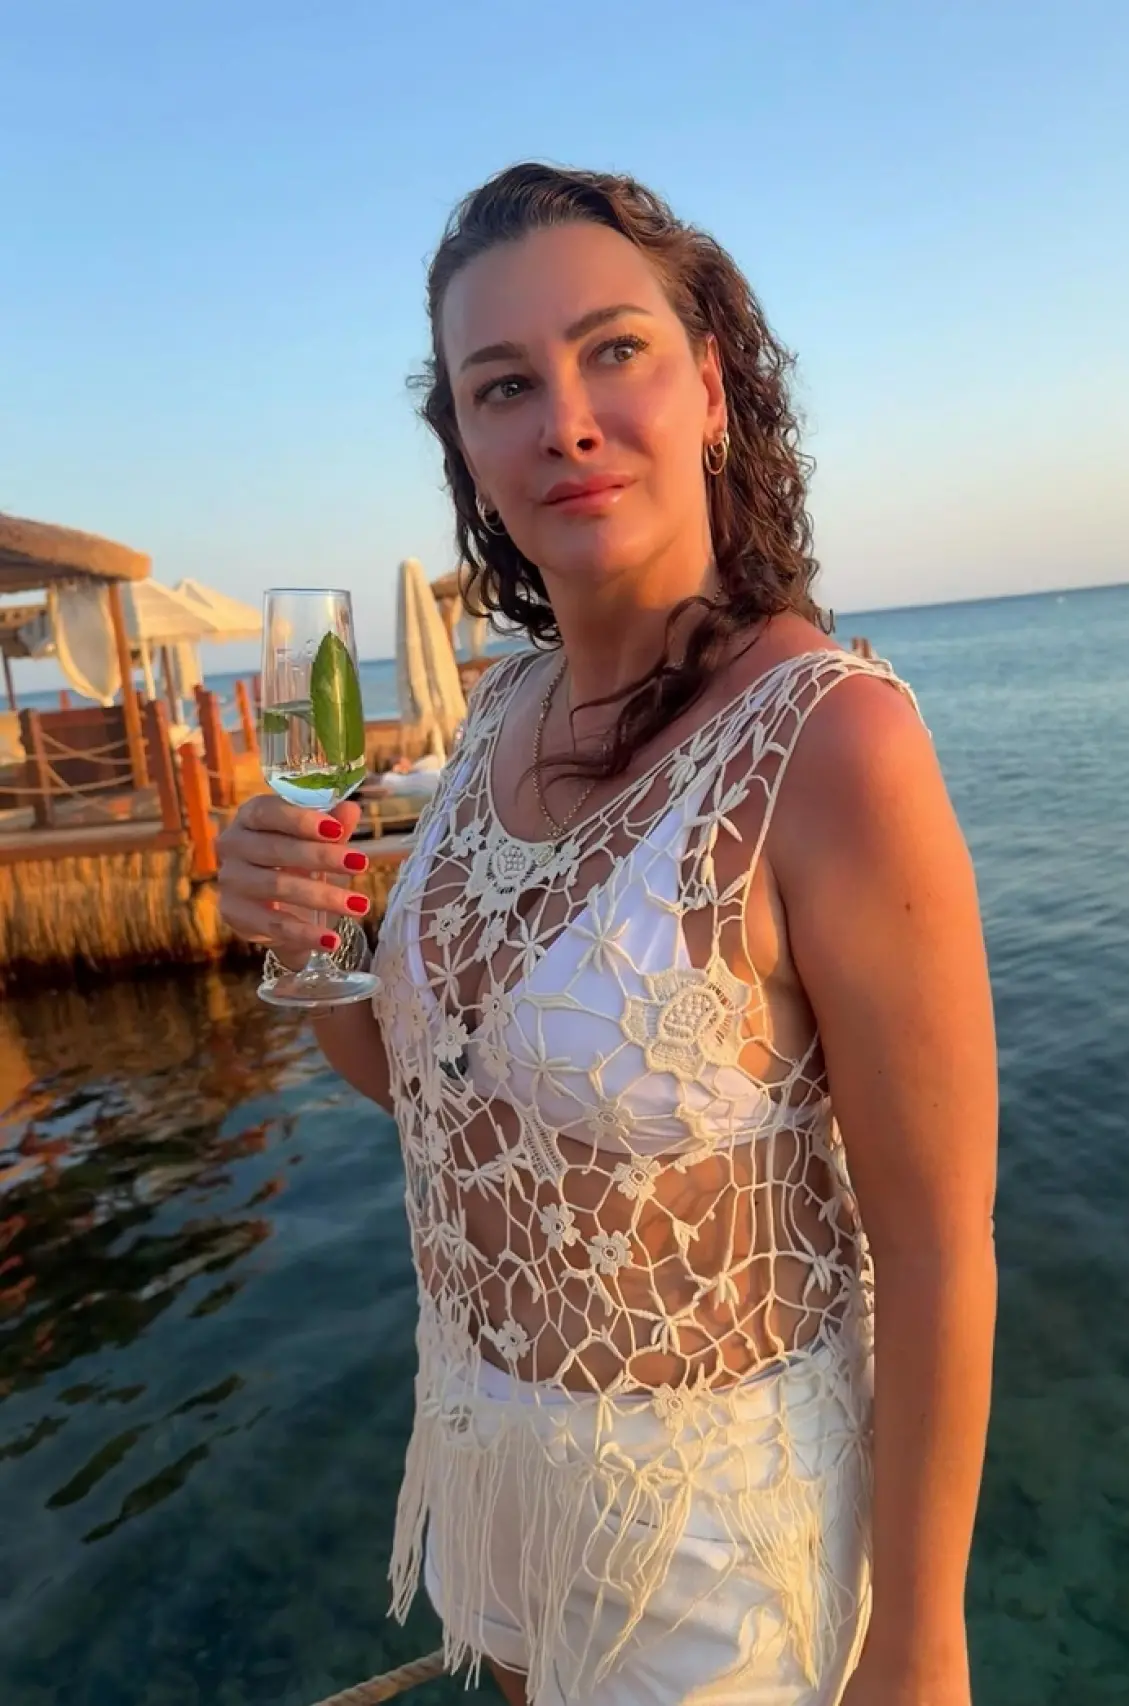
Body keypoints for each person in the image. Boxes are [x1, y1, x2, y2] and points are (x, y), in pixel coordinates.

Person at [215, 162, 998, 1706]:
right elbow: (439, 1093)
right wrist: (300, 940)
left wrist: (919, 1644)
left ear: (708, 387)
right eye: (503, 384)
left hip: (715, 1567)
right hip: (491, 1491)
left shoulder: (832, 746)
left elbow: (936, 1244)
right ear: (467, 447)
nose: (563, 420)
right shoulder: (497, 712)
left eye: (611, 351)